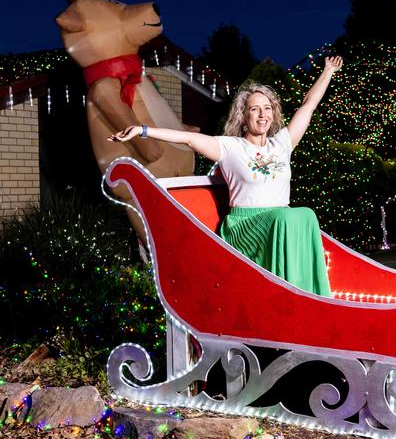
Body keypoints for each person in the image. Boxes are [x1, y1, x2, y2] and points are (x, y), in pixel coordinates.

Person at [109, 56, 344, 296]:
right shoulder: (230, 147)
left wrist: (328, 71)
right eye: (254, 109)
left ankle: (306, 295)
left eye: (267, 108)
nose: (262, 115)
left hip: (278, 222)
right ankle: (286, 297)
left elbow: (308, 105)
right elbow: (188, 138)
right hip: (245, 226)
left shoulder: (283, 143)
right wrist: (142, 130)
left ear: (273, 113)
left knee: (305, 215)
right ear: (244, 116)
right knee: (288, 218)